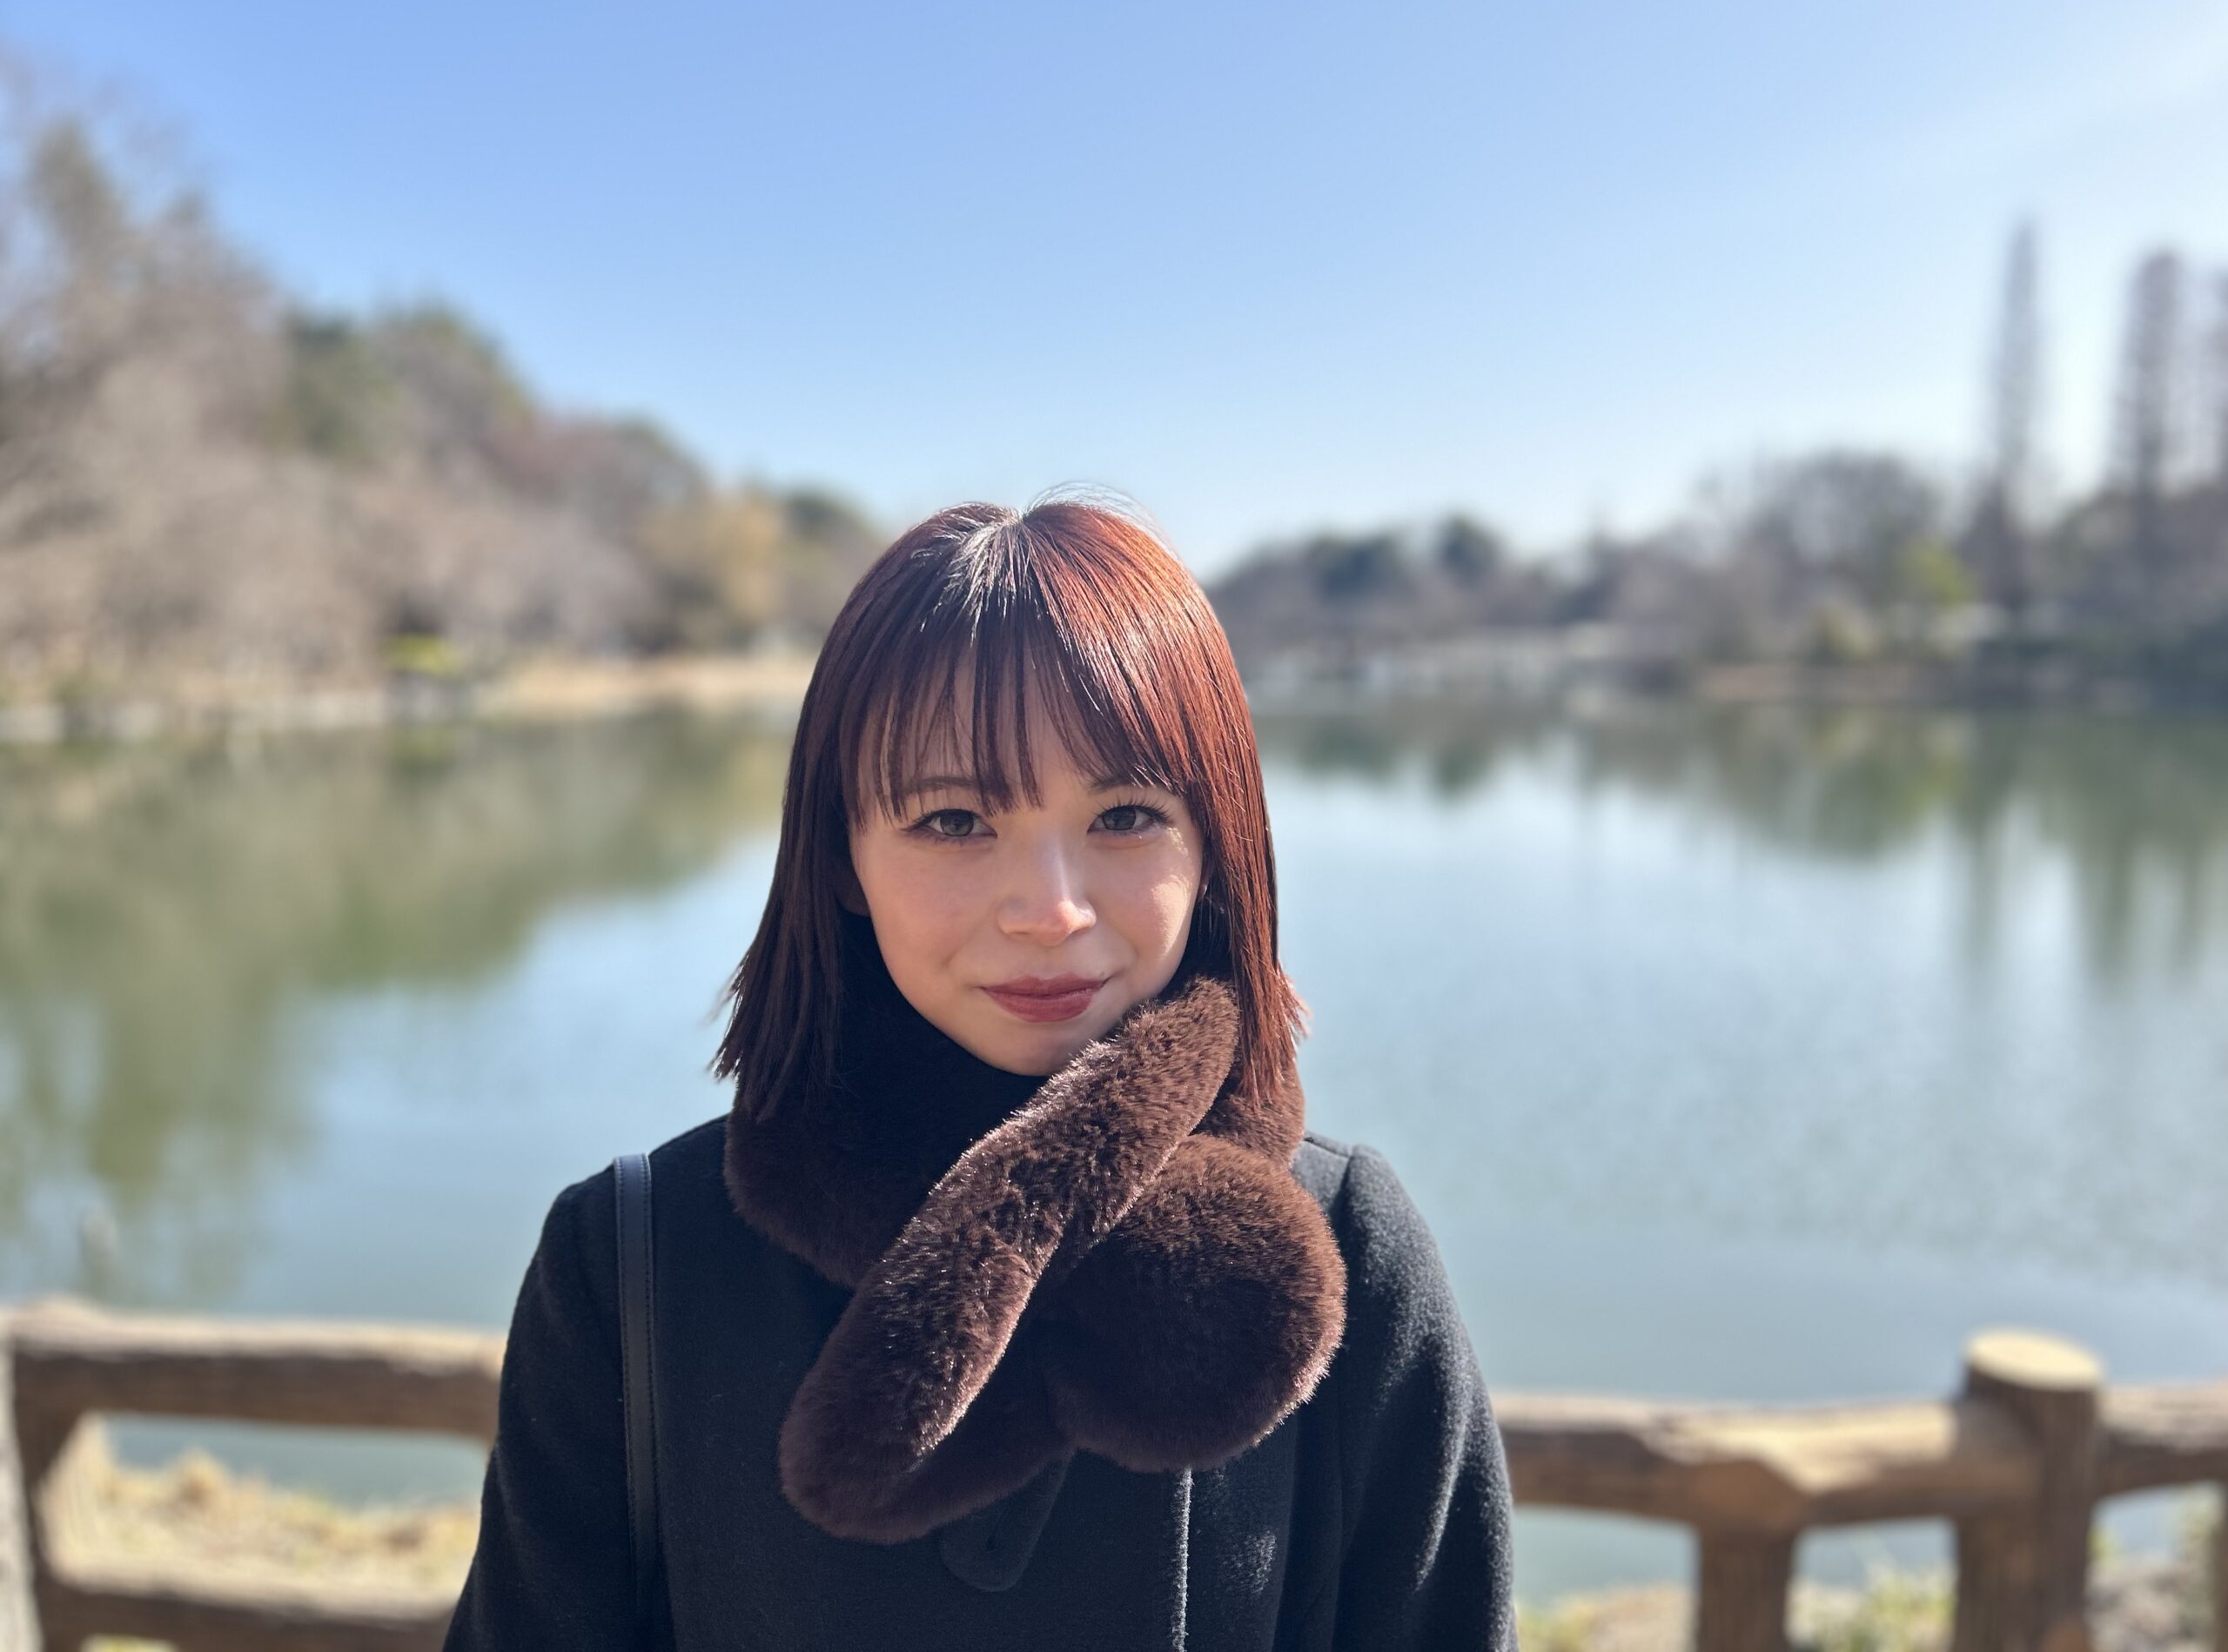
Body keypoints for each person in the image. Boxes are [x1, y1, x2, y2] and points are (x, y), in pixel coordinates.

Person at [443, 495, 1519, 1650]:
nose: (1050, 911)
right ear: (842, 855)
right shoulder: (635, 1261)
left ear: (1215, 847)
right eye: (954, 821)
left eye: (1125, 814)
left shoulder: (1350, 1246)